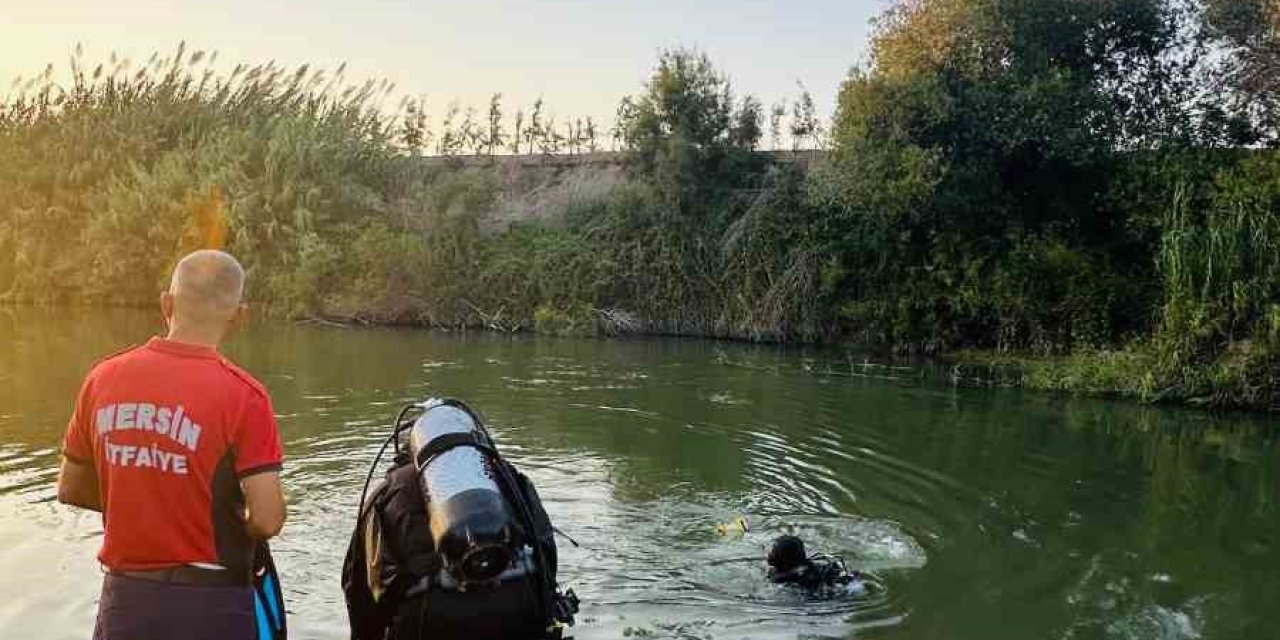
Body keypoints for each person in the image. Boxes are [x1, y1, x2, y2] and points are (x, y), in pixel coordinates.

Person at [56, 250, 287, 640]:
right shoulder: (245, 396)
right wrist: (214, 521)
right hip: (213, 605)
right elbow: (268, 519)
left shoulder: (102, 379)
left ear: (166, 303)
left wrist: (141, 503)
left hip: (125, 603)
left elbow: (70, 488)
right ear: (240, 316)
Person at [766, 535, 866, 596]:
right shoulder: (800, 567)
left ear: (784, 559)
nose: (769, 554)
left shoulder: (782, 578)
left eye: (773, 551)